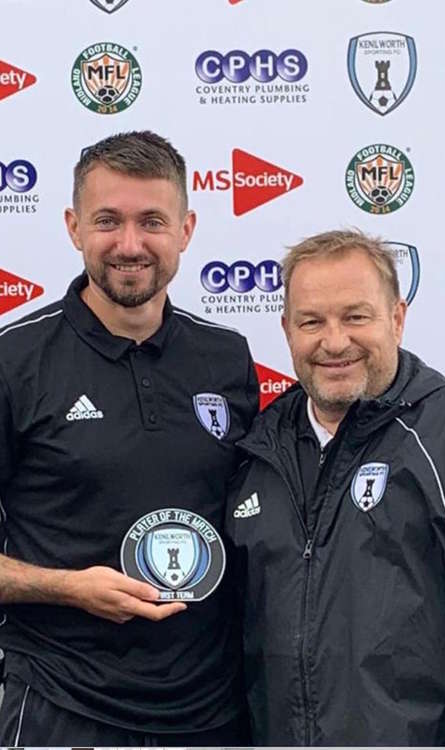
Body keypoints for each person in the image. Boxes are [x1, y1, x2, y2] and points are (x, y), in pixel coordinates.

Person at [0, 130, 258, 746]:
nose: (130, 244)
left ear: (187, 229)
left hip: (210, 711)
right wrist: (65, 588)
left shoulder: (227, 358)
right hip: (63, 703)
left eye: (152, 221)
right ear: (72, 226)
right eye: (108, 220)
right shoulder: (15, 361)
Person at [226, 229, 445, 746]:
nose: (334, 342)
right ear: (286, 329)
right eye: (312, 321)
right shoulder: (256, 452)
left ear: (398, 318)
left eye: (355, 317)